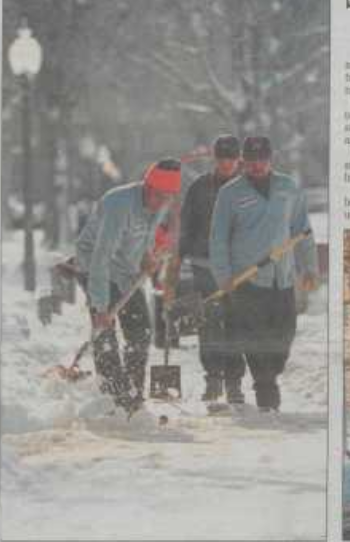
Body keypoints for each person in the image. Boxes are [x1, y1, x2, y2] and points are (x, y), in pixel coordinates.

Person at [209, 135, 318, 412]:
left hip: (282, 278)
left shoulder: (288, 187)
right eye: (251, 161)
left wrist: (309, 267)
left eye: (262, 160)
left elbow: (302, 230)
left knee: (284, 336)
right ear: (243, 161)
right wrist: (223, 275)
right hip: (247, 280)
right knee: (255, 340)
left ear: (271, 159)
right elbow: (218, 238)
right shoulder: (230, 193)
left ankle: (269, 376)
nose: (257, 165)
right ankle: (266, 394)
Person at [74, 158, 182, 414]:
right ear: (146, 186)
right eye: (157, 196)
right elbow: (102, 255)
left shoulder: (161, 204)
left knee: (141, 330)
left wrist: (146, 258)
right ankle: (112, 398)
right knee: (106, 336)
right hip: (96, 266)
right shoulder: (119, 205)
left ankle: (133, 396)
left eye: (167, 197)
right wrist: (100, 307)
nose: (161, 203)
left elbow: (143, 237)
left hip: (126, 270)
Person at [171, 133, 245, 405]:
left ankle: (234, 382)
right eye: (222, 158)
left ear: (239, 159)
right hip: (204, 264)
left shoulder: (248, 187)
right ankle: (213, 379)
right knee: (211, 322)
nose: (227, 163)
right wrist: (179, 257)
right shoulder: (200, 187)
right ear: (215, 159)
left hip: (239, 267)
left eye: (231, 158)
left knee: (236, 323)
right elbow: (187, 224)